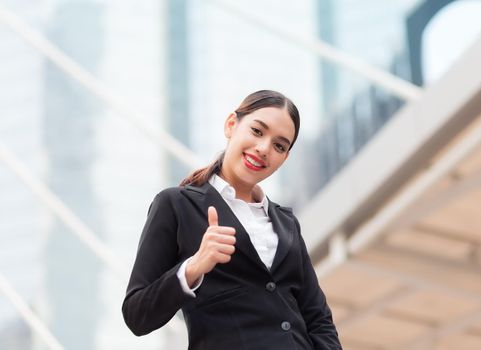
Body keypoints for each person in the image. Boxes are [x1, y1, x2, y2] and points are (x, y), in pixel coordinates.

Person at [122, 90, 342, 349]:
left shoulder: (287, 223)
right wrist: (194, 267)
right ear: (231, 125)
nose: (263, 149)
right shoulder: (176, 205)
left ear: (285, 158)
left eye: (279, 146)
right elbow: (137, 315)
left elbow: (318, 318)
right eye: (258, 131)